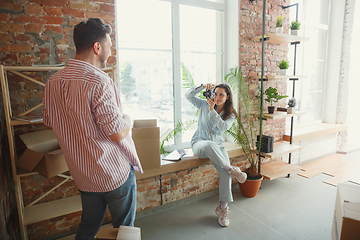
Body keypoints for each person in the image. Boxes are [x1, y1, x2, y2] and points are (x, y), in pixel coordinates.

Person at [42, 18, 143, 239]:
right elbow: (117, 133)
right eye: (109, 44)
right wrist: (127, 118)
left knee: (88, 224)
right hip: (113, 172)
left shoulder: (53, 82)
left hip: (83, 173)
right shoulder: (100, 81)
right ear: (97, 47)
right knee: (124, 229)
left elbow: (49, 121)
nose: (111, 49)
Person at [185, 83, 247, 227]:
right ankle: (231, 168)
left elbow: (223, 127)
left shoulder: (230, 114)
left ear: (227, 97)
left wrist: (212, 111)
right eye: (215, 93)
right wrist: (201, 86)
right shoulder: (202, 104)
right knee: (210, 146)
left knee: (225, 174)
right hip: (200, 143)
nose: (217, 97)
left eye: (221, 95)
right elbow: (188, 95)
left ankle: (222, 209)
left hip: (218, 146)